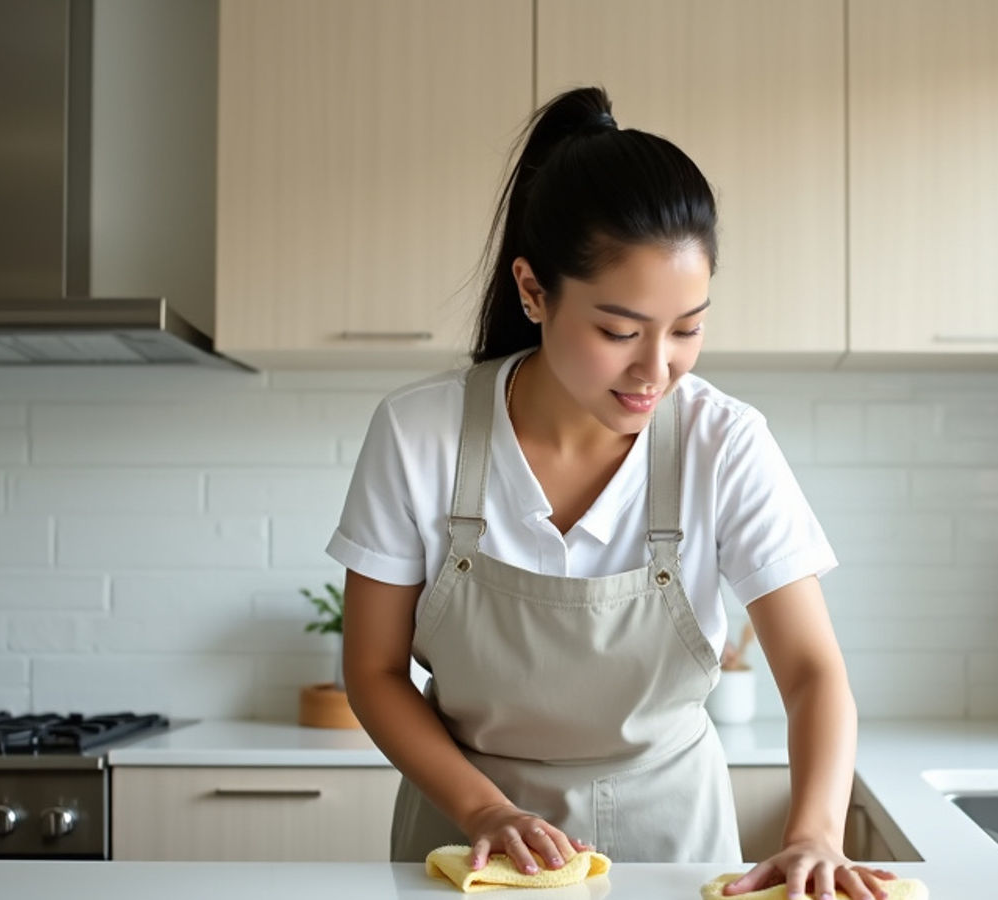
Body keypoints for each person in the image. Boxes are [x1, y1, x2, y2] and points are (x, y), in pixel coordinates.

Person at [327, 86, 893, 900]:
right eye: (619, 332)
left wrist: (812, 836)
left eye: (688, 328)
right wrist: (487, 811)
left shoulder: (722, 442)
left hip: (676, 841)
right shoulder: (421, 434)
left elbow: (811, 672)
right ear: (533, 291)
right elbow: (374, 670)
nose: (656, 368)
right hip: (469, 844)